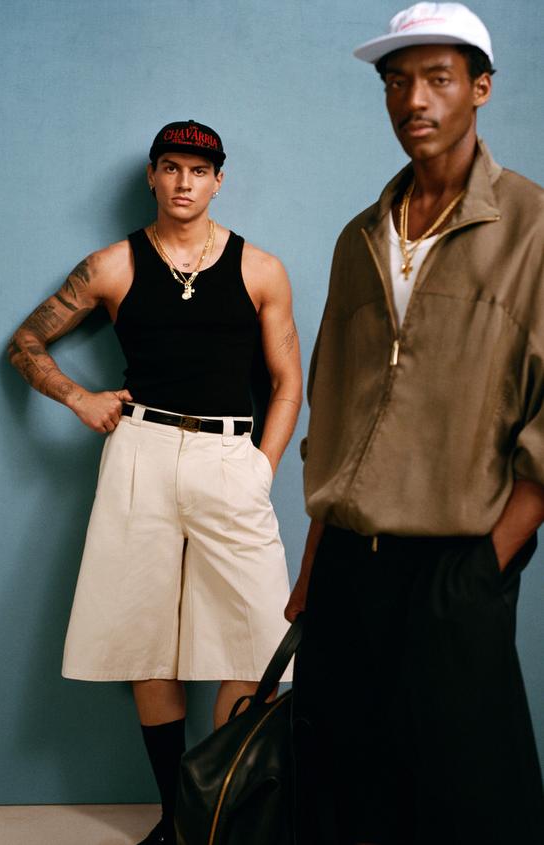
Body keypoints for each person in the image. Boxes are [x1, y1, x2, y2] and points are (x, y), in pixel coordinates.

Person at [286, 5, 544, 844]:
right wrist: (311, 570)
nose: (414, 101)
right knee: (338, 796)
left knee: (467, 801)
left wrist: (485, 564)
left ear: (481, 88)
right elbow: (334, 412)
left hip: (454, 560)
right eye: (396, 82)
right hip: (346, 562)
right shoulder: (359, 237)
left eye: (437, 78)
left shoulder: (532, 227)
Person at [8, 119, 302, 845]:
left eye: (198, 171)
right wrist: (78, 398)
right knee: (146, 642)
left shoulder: (260, 268)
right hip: (139, 450)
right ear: (152, 175)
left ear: (218, 181)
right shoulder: (112, 265)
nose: (183, 182)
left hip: (230, 455)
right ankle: (175, 822)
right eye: (170, 167)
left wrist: (260, 467)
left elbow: (288, 381)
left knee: (253, 637)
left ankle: (217, 821)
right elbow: (26, 341)